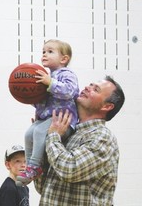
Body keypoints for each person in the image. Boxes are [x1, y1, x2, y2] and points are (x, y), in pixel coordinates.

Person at [34, 75, 125, 205]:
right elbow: (43, 187)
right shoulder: (66, 132)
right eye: (90, 84)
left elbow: (69, 169)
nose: (88, 87)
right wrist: (40, 140)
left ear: (107, 106)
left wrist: (52, 136)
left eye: (96, 89)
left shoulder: (103, 137)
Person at [17, 39, 79, 185]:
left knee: (38, 131)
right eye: (43, 51)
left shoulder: (67, 73)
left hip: (63, 120)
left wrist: (50, 83)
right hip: (46, 118)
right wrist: (30, 96)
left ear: (64, 59)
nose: (44, 54)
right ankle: (29, 167)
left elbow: (70, 91)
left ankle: (35, 166)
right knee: (28, 133)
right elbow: (43, 100)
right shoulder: (45, 76)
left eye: (50, 51)